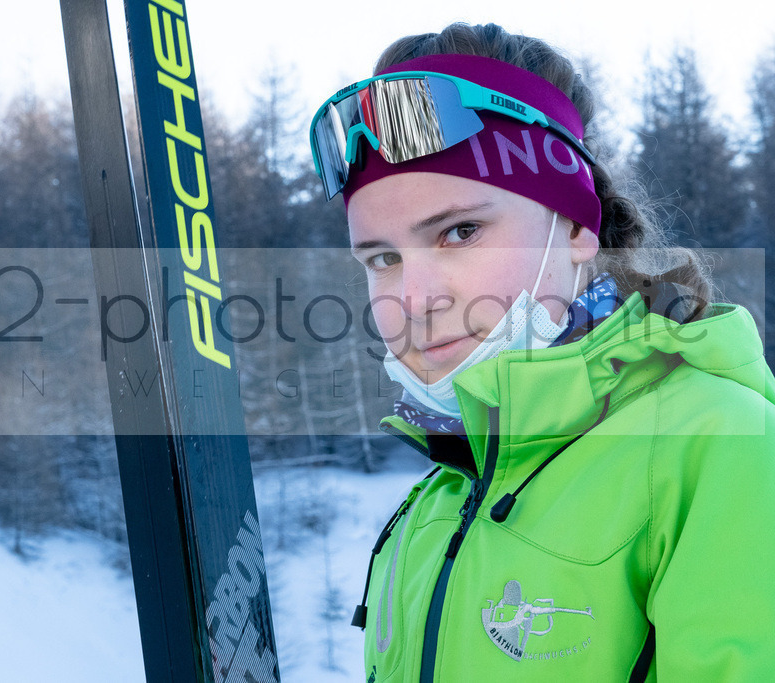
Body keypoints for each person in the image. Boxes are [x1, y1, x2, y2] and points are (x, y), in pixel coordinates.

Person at [307, 22, 775, 681]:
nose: (414, 298)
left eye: (459, 232)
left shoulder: (717, 445)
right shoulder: (442, 493)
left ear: (577, 226)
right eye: (382, 258)